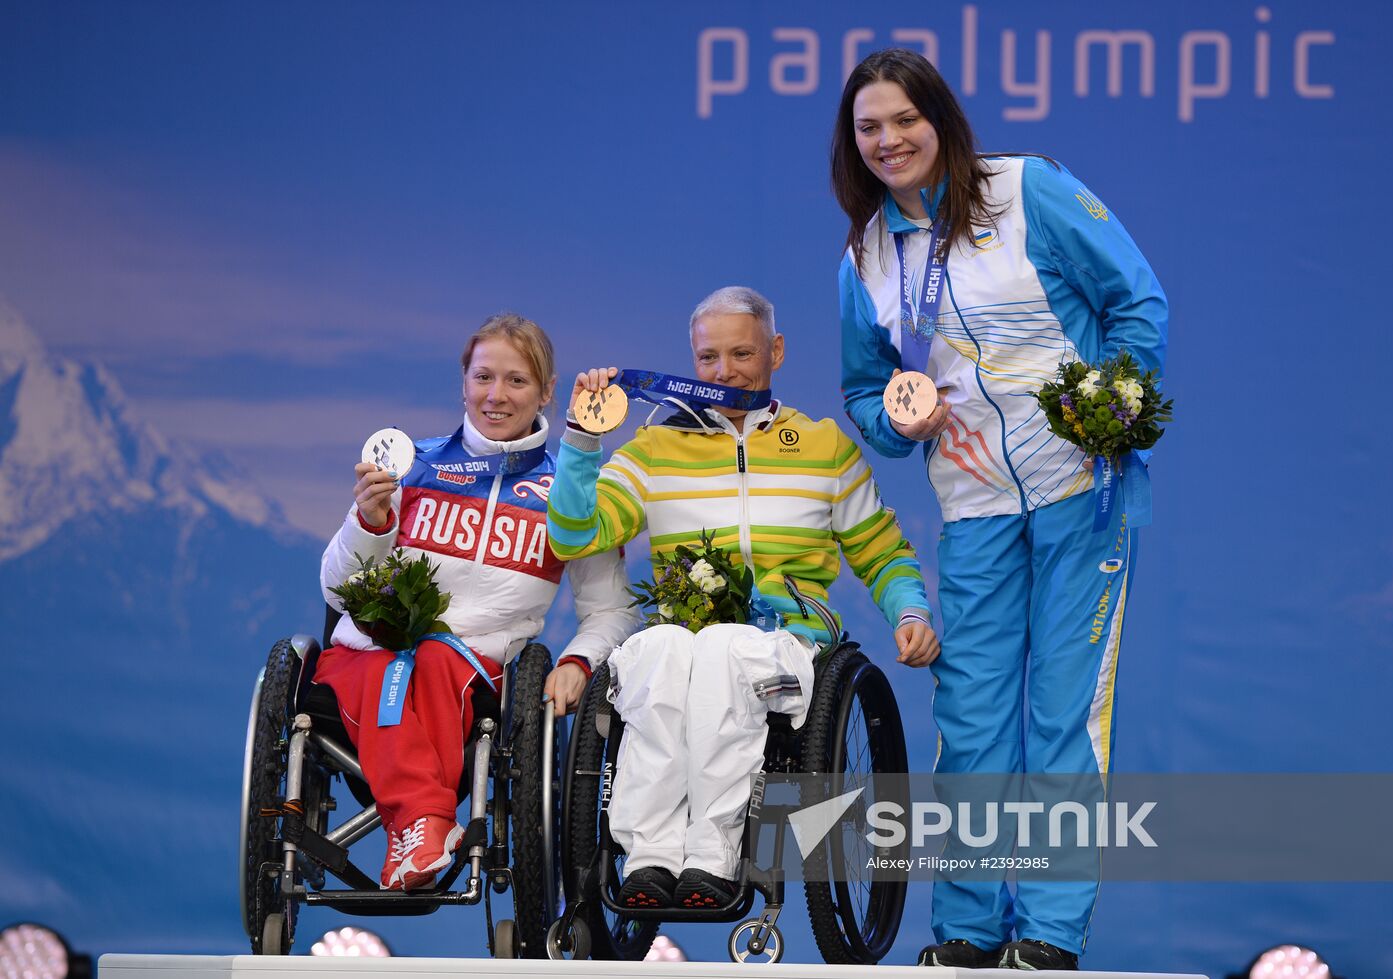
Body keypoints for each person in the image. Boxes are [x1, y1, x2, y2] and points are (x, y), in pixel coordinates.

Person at [831, 49, 1168, 970]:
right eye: (870, 127)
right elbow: (868, 396)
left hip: (1079, 492)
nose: (890, 140)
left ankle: (1050, 935)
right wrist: (902, 419)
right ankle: (971, 932)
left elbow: (1136, 302)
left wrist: (1118, 405)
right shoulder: (864, 256)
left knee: (1062, 714)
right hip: (973, 507)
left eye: (906, 119)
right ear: (851, 143)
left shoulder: (1028, 191)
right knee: (973, 719)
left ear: (939, 117)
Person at [546, 285, 938, 910]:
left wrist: (910, 610)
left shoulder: (826, 446)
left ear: (776, 351)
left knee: (727, 649)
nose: (724, 371)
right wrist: (581, 440)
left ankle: (713, 856)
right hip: (686, 634)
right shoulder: (652, 449)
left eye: (742, 353)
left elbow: (882, 551)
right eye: (708, 359)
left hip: (791, 643)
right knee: (660, 654)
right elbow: (575, 533)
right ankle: (648, 857)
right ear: (692, 359)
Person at [316, 313, 637, 891]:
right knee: (387, 664)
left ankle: (418, 829)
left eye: (516, 381)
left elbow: (613, 610)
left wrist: (577, 661)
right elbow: (339, 592)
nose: (496, 395)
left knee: (438, 661)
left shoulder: (571, 490)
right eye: (483, 376)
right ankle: (424, 823)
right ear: (463, 382)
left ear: (547, 391)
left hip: (470, 672)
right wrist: (370, 522)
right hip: (367, 658)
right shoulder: (411, 465)